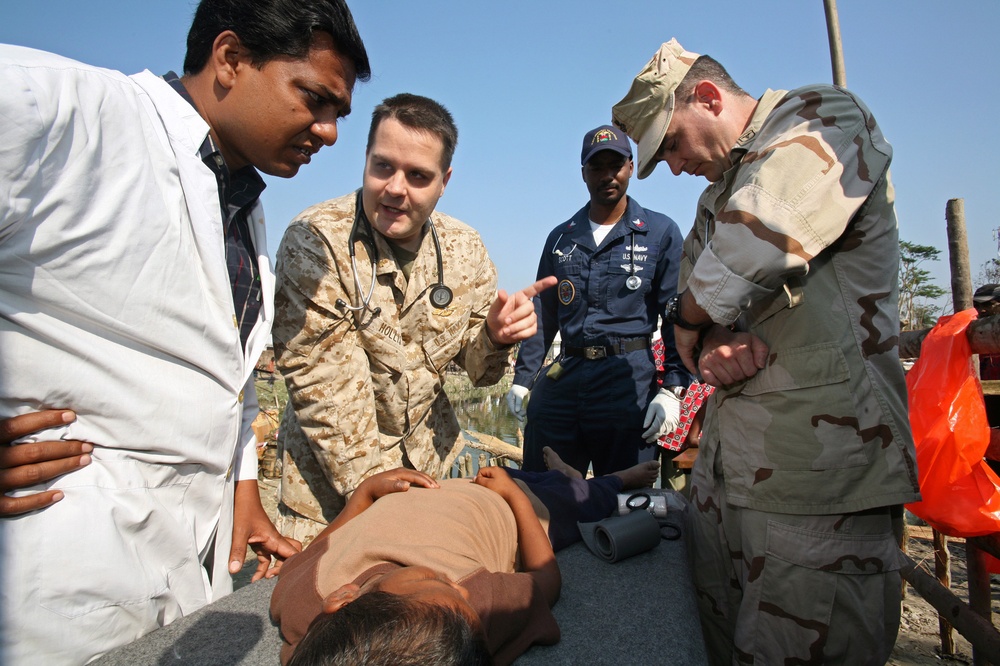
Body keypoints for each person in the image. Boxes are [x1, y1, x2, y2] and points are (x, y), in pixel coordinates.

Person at [0, 1, 370, 663]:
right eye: (315, 99)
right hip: (50, 581)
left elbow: (229, 377)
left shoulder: (238, 202)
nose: (331, 131)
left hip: (176, 580)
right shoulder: (76, 112)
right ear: (230, 60)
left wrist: (243, 490)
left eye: (339, 113)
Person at [611, 39, 921, 664]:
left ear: (706, 97)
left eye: (670, 144)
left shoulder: (822, 117)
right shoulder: (710, 201)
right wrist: (708, 345)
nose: (671, 167)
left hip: (817, 489)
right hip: (729, 481)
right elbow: (693, 317)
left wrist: (694, 320)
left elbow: (757, 240)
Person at [272, 93, 557, 546]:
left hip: (429, 474)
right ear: (365, 159)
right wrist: (395, 515)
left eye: (418, 176)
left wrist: (495, 337)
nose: (396, 188)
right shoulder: (317, 243)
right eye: (383, 166)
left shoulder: (465, 249)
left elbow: (480, 374)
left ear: (444, 182)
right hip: (332, 497)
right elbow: (326, 391)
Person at [270, 451, 661, 665]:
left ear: (344, 596)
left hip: (457, 488)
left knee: (530, 475)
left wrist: (362, 496)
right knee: (581, 499)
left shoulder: (304, 598)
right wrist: (515, 500)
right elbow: (546, 584)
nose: (459, 586)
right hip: (511, 510)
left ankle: (566, 475)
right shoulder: (469, 608)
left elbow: (314, 551)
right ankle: (617, 479)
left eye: (438, 582)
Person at [506, 124, 689, 480]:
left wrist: (674, 389)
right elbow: (545, 313)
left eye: (616, 165)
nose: (608, 175)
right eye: (597, 167)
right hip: (566, 373)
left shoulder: (660, 232)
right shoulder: (561, 238)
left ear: (631, 167)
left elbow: (675, 314)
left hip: (627, 378)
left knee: (625, 497)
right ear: (583, 173)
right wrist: (523, 378)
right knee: (545, 486)